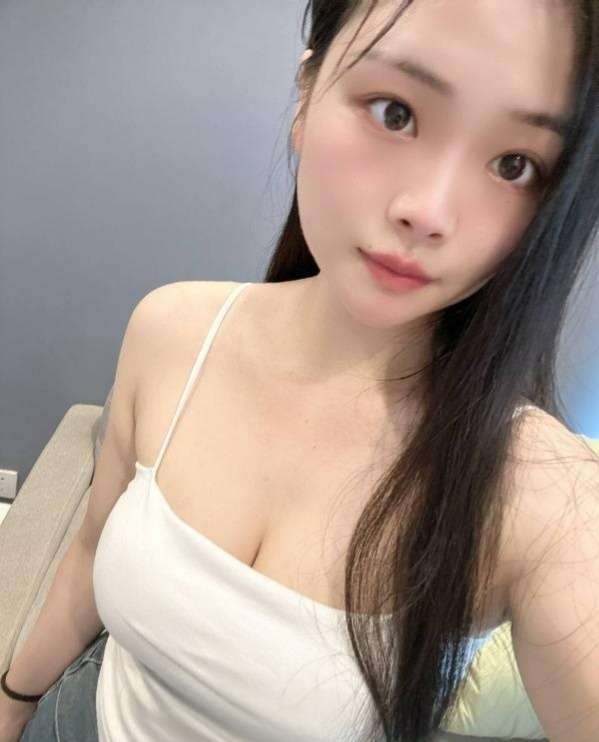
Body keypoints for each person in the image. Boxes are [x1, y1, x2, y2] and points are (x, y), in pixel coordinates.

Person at [2, 0, 598, 740]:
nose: (427, 211)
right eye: (395, 112)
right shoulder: (172, 329)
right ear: (306, 97)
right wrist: (14, 698)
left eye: (515, 165)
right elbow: (91, 549)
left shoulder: (541, 491)